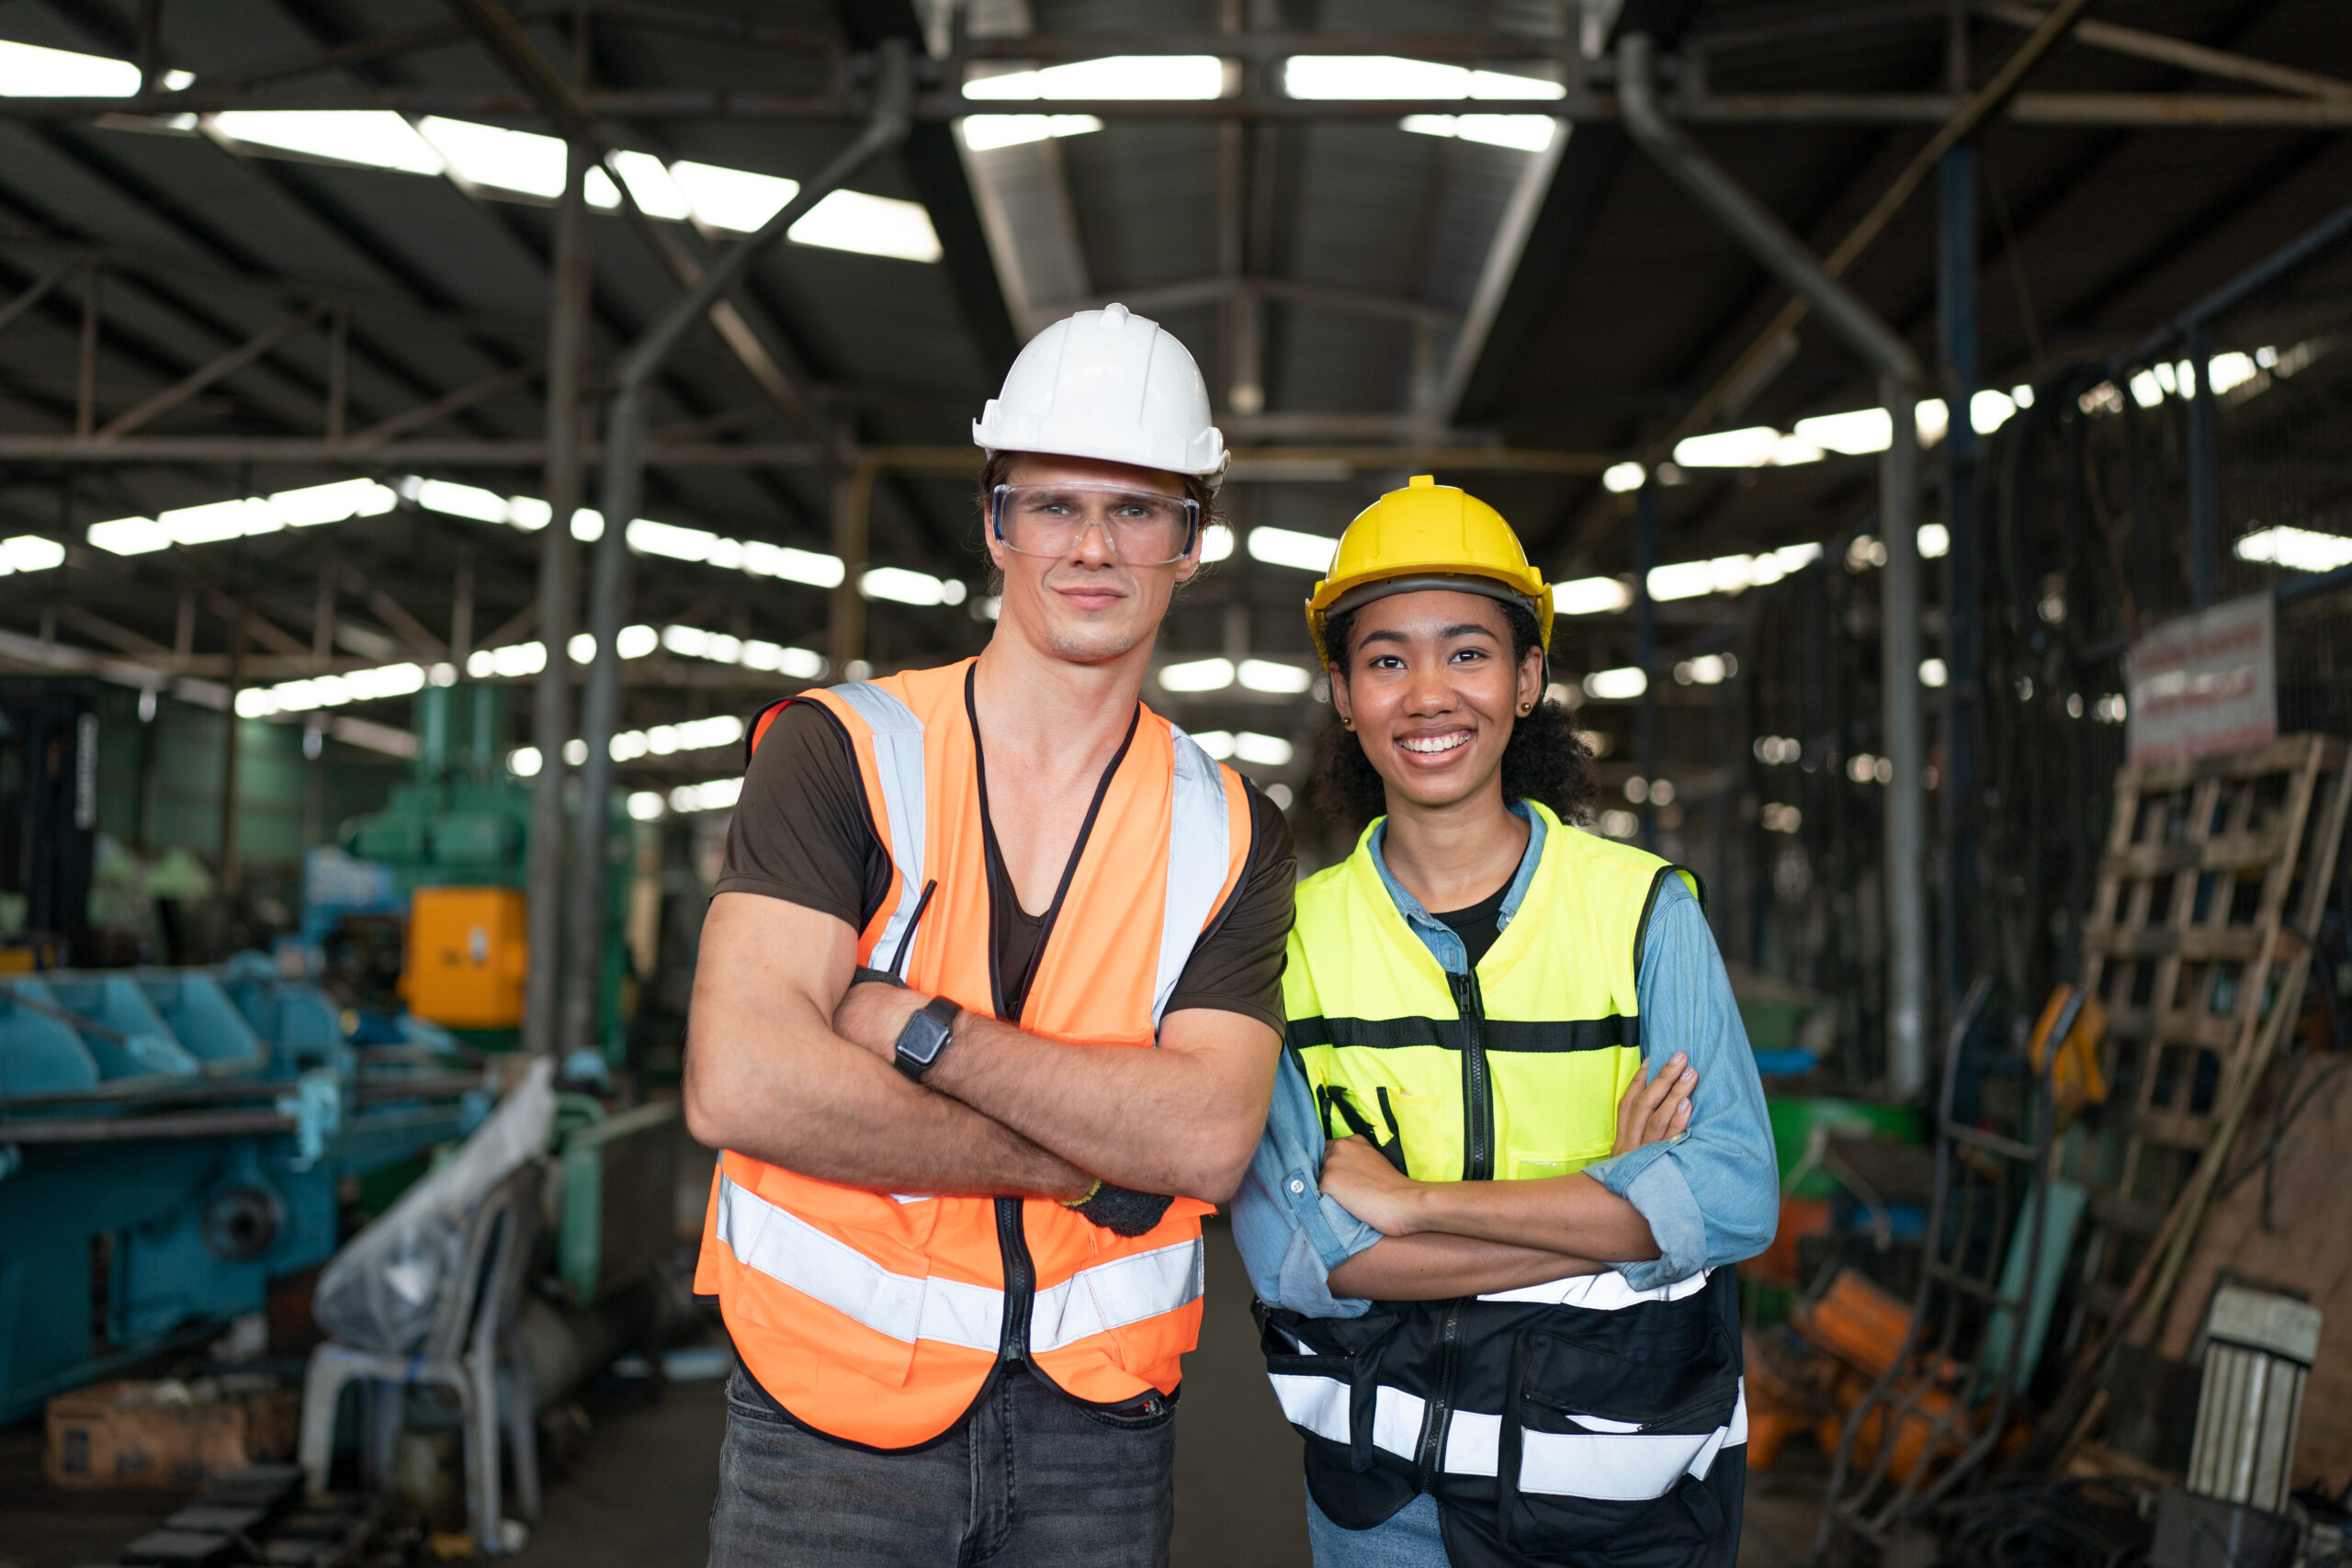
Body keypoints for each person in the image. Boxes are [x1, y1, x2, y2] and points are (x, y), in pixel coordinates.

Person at [685, 303, 1296, 1567]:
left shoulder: (1231, 826)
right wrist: (1076, 1166)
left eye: (1138, 509)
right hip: (829, 1421)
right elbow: (742, 1078)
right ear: (993, 520)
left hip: (1101, 1430)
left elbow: (1205, 1135)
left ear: (1193, 542)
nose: (1092, 545)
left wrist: (912, 1024)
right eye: (1053, 503)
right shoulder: (843, 750)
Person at [1230, 476, 1780, 1567]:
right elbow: (1302, 1258)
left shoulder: (1640, 909)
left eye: (1468, 652)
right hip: (1385, 1508)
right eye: (1386, 659)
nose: (1429, 693)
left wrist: (1415, 1206)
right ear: (1342, 693)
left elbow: (1733, 1197)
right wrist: (1616, 1215)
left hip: (1622, 1483)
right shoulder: (1287, 938)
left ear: (1527, 679)